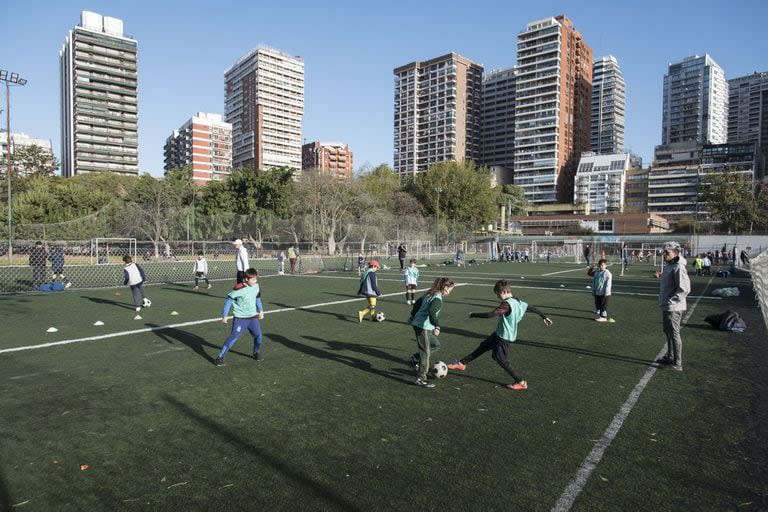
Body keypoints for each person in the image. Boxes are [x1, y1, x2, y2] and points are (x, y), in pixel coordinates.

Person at [448, 280, 553, 391]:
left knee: (500, 359)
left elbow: (491, 314)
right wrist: (544, 316)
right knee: (483, 346)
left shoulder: (507, 304)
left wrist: (473, 314)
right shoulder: (517, 301)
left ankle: (521, 382)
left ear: (503, 292)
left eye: (498, 294)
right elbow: (532, 308)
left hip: (504, 337)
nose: (498, 297)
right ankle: (462, 363)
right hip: (499, 334)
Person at [408, 278, 455, 388]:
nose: (450, 292)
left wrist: (412, 316)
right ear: (445, 287)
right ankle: (421, 378)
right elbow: (432, 312)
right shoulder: (437, 298)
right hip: (422, 326)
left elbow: (417, 304)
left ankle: (415, 358)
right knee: (425, 352)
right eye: (450, 289)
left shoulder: (430, 293)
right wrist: (437, 326)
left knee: (436, 345)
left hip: (422, 325)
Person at [214, 268, 265, 367]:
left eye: (256, 279)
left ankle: (256, 353)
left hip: (253, 317)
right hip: (240, 319)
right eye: (253, 279)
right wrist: (224, 315)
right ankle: (219, 358)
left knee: (258, 336)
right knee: (233, 338)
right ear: (246, 279)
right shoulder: (238, 288)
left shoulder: (256, 286)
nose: (255, 281)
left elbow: (257, 299)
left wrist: (261, 311)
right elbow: (228, 301)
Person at [655, 241, 691, 371]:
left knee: (674, 333)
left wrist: (671, 300)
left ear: (675, 253)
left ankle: (677, 363)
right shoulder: (669, 265)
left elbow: (684, 289)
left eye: (667, 252)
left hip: (674, 307)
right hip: (667, 305)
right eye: (664, 252)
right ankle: (670, 356)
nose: (664, 254)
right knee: (667, 331)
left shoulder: (678, 267)